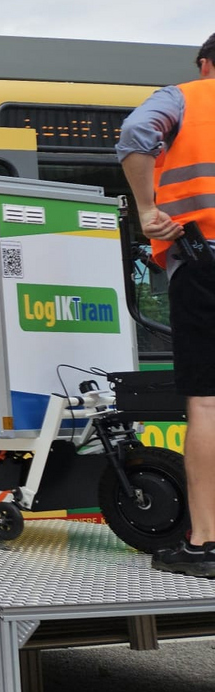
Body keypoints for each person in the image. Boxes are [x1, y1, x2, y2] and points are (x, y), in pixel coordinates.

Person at [119, 32, 215, 576]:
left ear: (206, 63)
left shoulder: (185, 97)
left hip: (205, 263)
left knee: (207, 403)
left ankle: (205, 543)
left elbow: (135, 132)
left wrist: (147, 208)